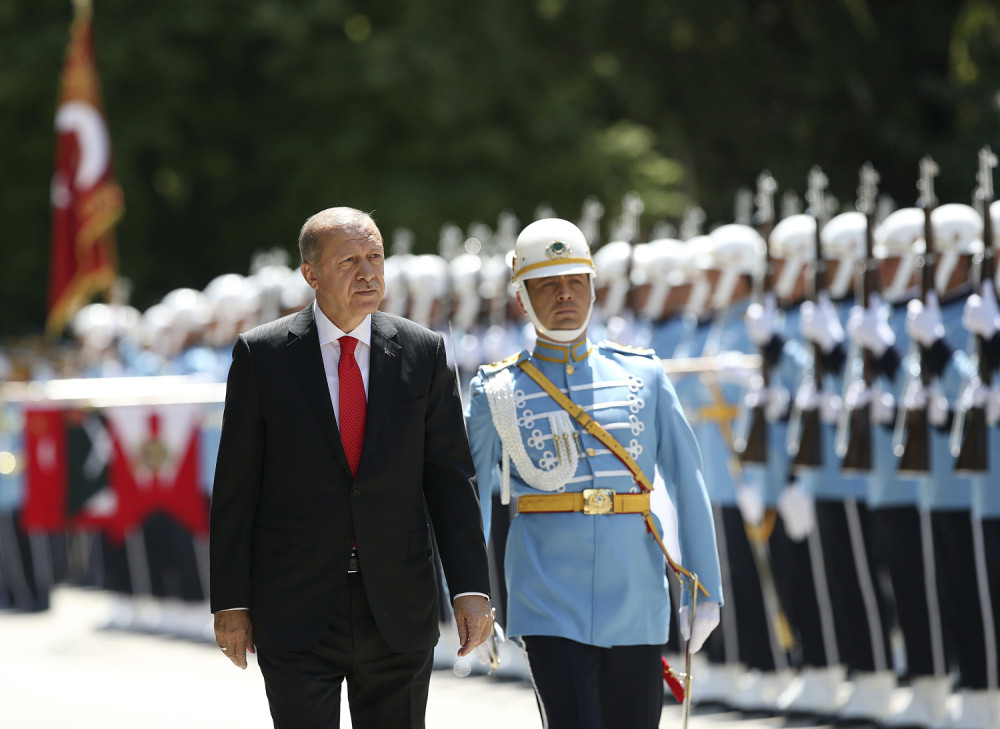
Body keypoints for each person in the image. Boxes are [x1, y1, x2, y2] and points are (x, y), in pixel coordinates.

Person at [209, 207, 493, 729]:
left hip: (397, 606)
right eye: (348, 261)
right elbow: (234, 487)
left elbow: (451, 480)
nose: (368, 273)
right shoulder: (262, 355)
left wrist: (470, 588)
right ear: (311, 274)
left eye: (375, 257)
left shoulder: (423, 351)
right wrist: (229, 601)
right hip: (294, 606)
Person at [465, 217, 723, 729]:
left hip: (636, 589)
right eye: (547, 284)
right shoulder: (496, 389)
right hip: (545, 591)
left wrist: (705, 590)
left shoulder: (643, 374)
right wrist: (473, 595)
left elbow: (688, 481)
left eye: (575, 281)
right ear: (522, 298)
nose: (565, 294)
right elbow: (472, 503)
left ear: (593, 287)